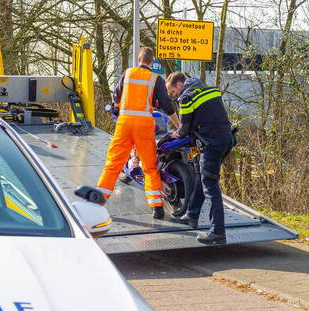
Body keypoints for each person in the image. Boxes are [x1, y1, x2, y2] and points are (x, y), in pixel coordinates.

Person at [95, 47, 178, 219]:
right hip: (144, 124)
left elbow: (116, 99)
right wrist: (179, 126)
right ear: (152, 62)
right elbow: (167, 106)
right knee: (149, 166)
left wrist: (118, 112)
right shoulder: (156, 79)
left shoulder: (127, 74)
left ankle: (97, 203)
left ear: (138, 59)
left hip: (125, 123)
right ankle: (157, 208)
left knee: (113, 164)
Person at [166, 72, 234, 244]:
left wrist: (174, 135)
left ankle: (217, 231)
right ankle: (192, 215)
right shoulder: (211, 90)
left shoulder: (187, 98)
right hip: (226, 139)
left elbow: (184, 128)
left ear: (180, 85)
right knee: (201, 178)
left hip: (210, 142)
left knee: (210, 185)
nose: (173, 96)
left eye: (173, 92)